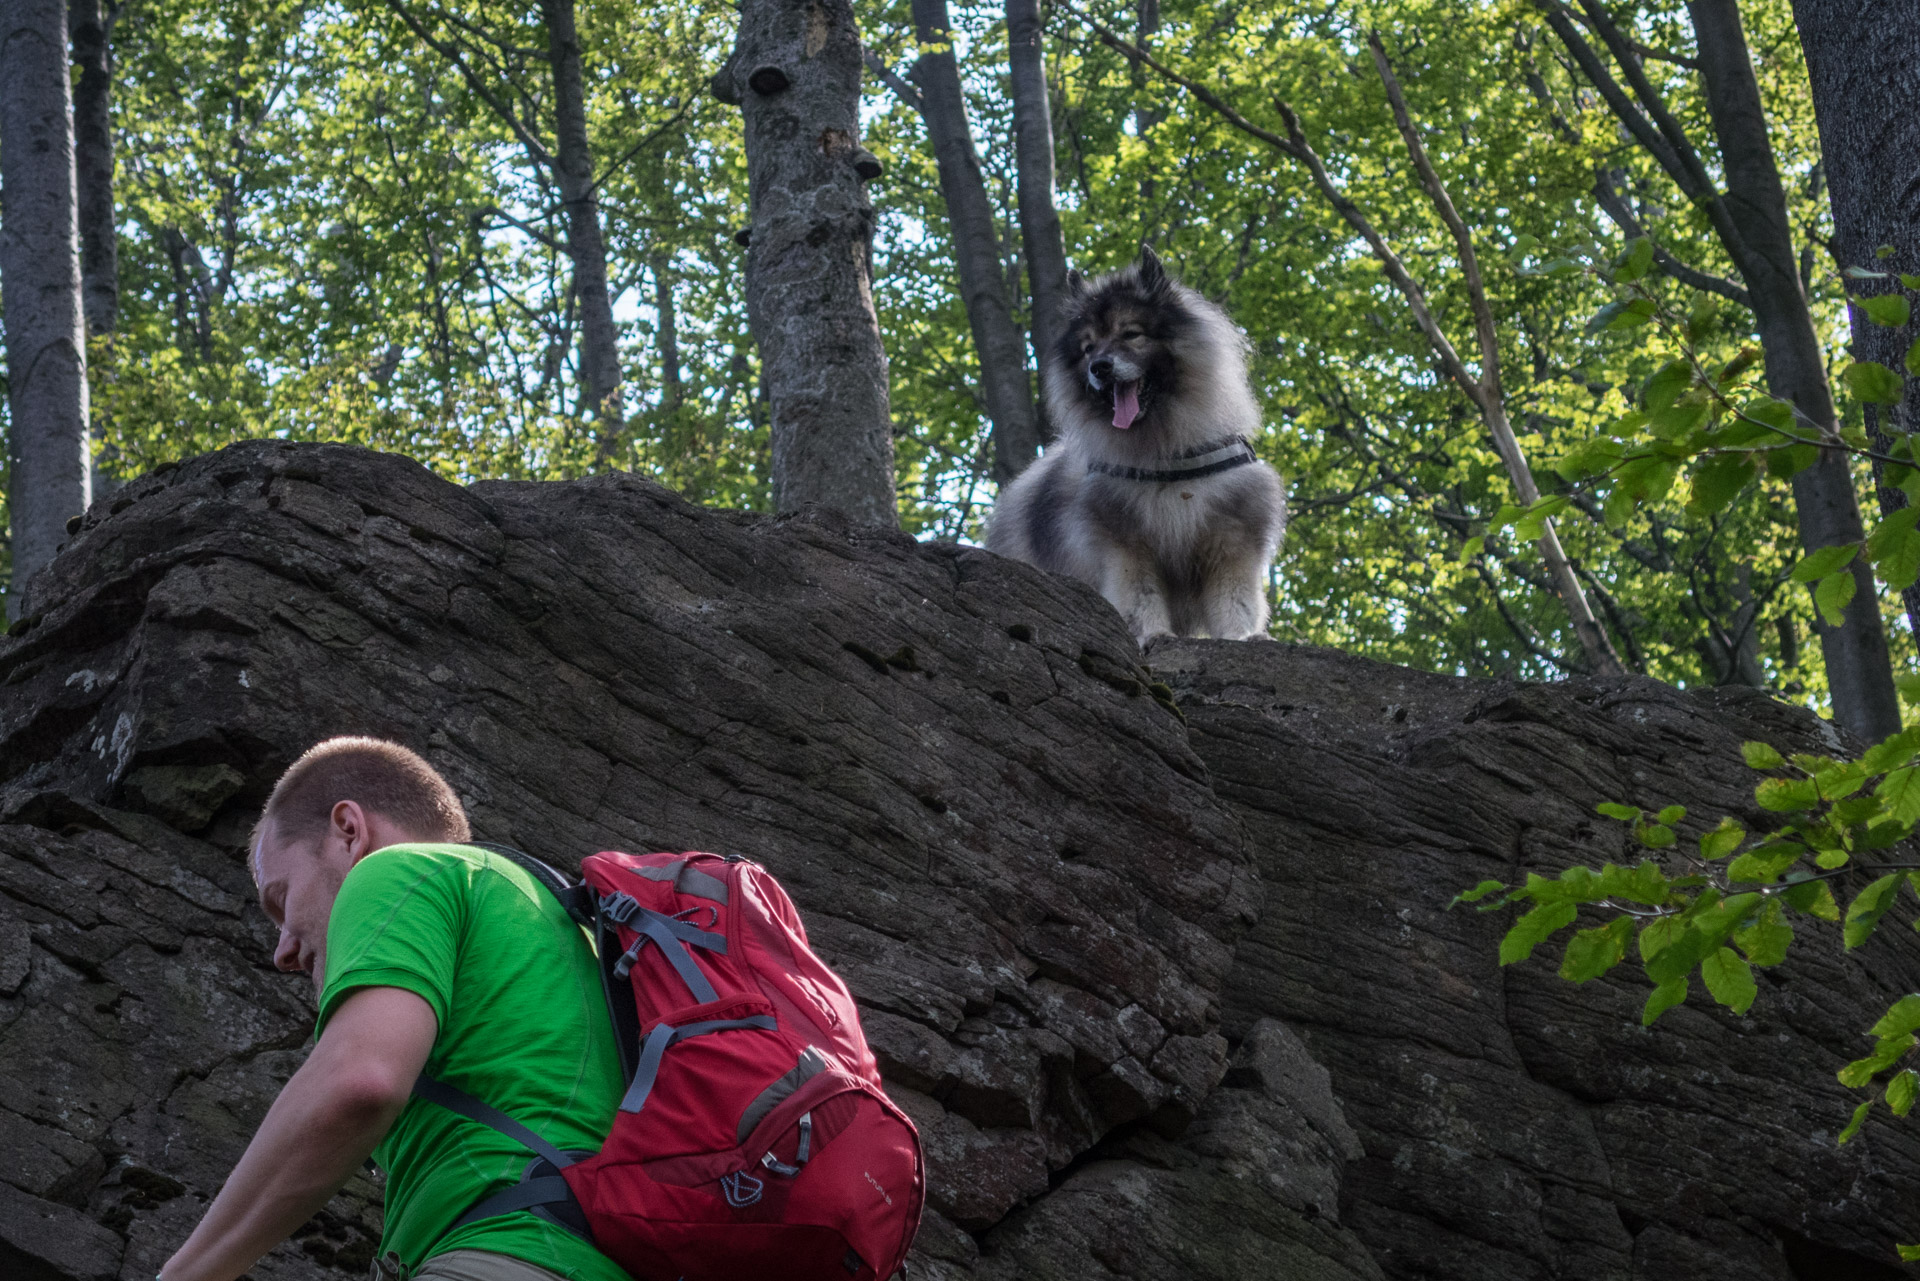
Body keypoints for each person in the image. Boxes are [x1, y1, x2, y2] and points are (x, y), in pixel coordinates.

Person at [157, 736, 626, 1281]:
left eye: (281, 901)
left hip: (510, 1253)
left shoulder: (398, 871)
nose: (282, 949)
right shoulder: (564, 931)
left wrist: (187, 1273)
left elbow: (360, 1082)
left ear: (348, 832)